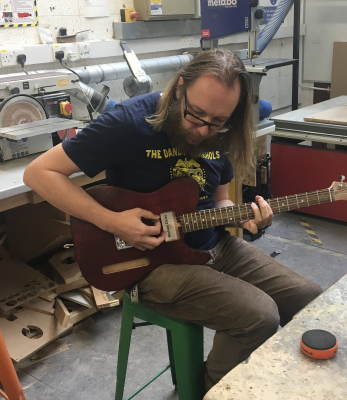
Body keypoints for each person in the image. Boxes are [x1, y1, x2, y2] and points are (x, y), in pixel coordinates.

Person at [23, 49, 323, 393]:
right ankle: (209, 391)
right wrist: (113, 222)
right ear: (180, 87)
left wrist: (243, 218)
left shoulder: (222, 126)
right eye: (196, 115)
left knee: (307, 296)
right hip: (150, 263)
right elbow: (39, 173)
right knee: (259, 315)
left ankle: (250, 380)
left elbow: (220, 196)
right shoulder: (129, 122)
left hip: (213, 245)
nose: (202, 129)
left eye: (216, 122)